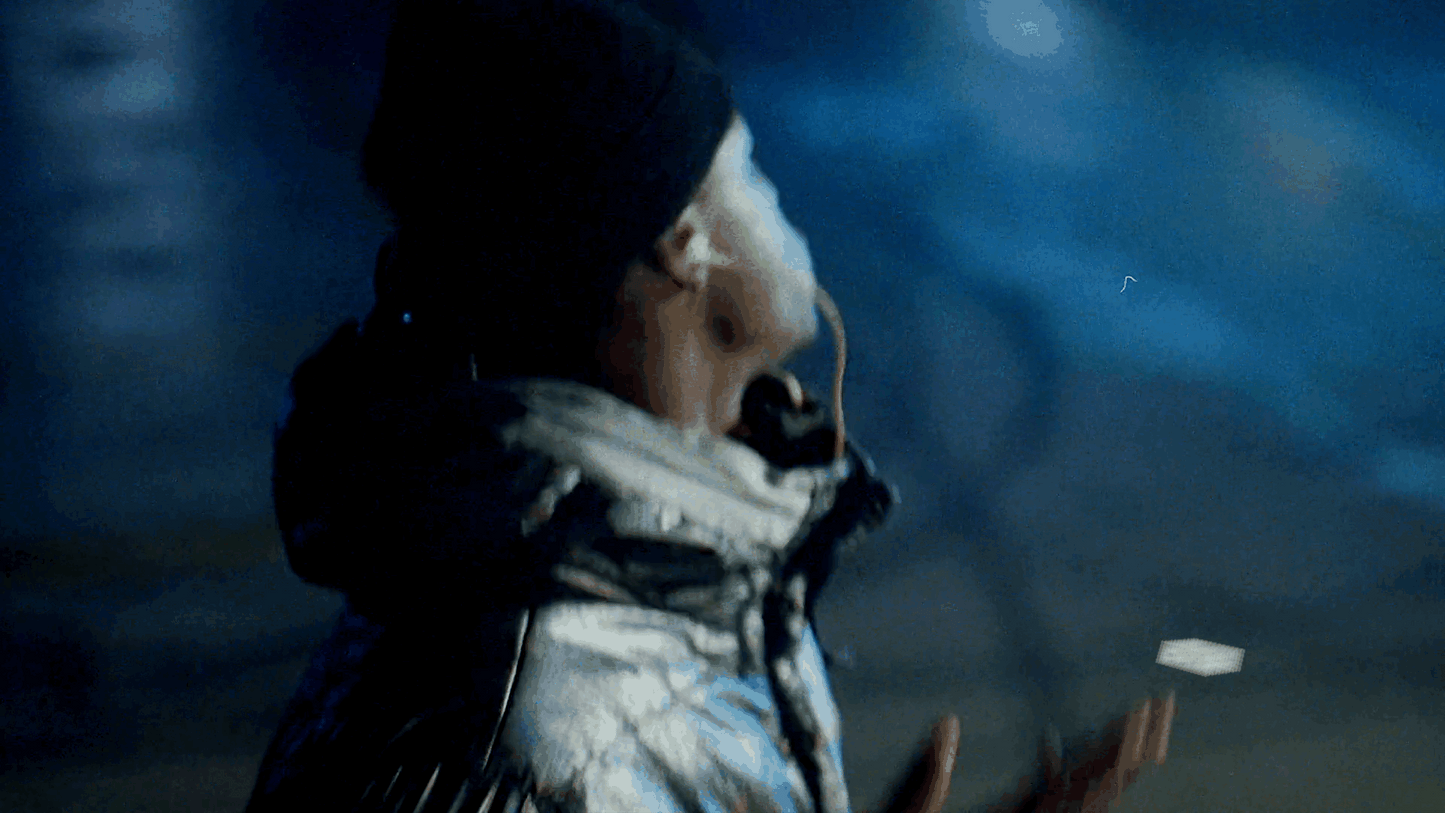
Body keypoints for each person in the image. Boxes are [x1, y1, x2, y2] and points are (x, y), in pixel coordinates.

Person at [243, 1, 1170, 811]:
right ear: (683, 240)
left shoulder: (667, 576)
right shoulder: (511, 754)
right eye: (750, 173)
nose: (777, 206)